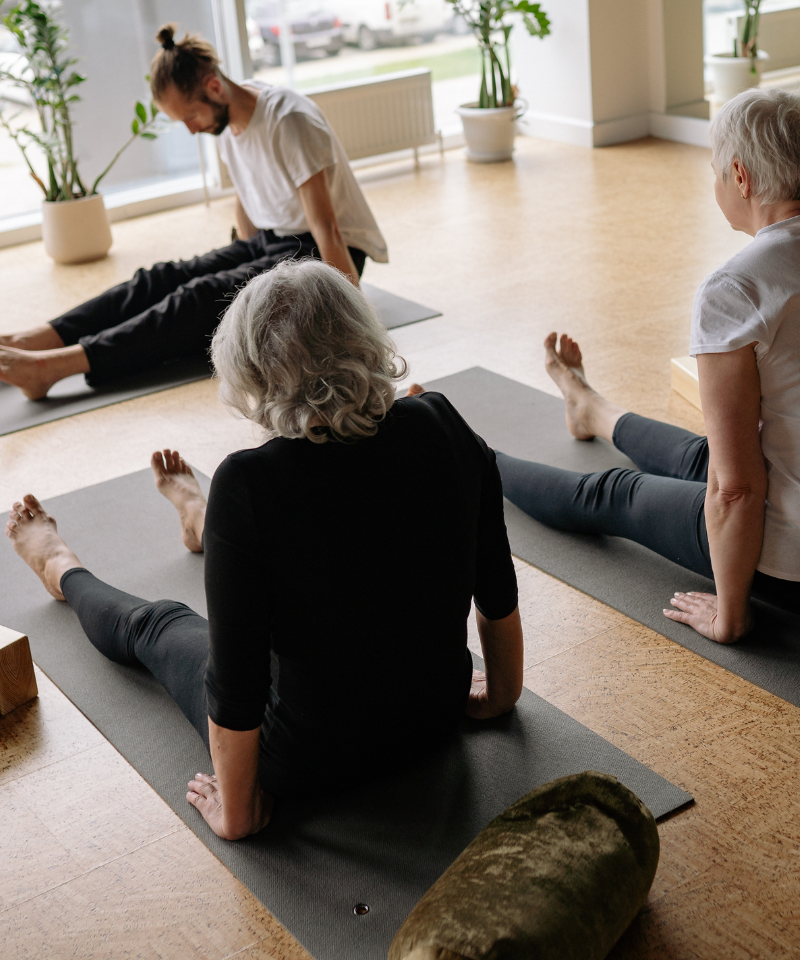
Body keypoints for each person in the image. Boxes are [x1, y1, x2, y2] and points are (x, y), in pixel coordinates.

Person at [6, 259, 523, 841]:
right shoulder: (441, 422)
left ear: (255, 372)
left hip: (306, 763)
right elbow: (496, 587)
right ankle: (205, 524)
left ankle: (59, 566)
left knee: (158, 625)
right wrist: (500, 695)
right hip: (434, 716)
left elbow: (236, 682)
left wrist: (239, 809)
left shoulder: (252, 483)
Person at [492, 88, 800, 646]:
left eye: (714, 172)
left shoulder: (736, 287)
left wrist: (731, 614)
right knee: (700, 455)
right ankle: (592, 410)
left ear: (741, 176)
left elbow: (736, 490)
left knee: (617, 493)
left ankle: (474, 459)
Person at [0, 24, 388, 401]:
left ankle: (51, 368)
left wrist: (354, 325)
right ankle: (35, 339)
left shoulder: (288, 119)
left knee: (198, 298)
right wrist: (241, 262)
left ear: (214, 87)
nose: (189, 130)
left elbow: (328, 228)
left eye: (189, 117)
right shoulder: (226, 121)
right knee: (160, 278)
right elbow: (247, 195)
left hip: (325, 257)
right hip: (274, 242)